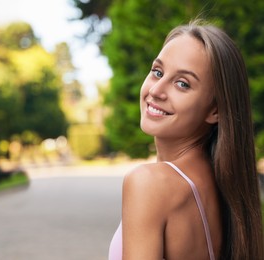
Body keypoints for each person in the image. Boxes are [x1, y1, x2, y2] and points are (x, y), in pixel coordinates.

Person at [108, 20, 264, 260]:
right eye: (157, 72)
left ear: (215, 110)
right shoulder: (224, 187)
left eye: (182, 84)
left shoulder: (148, 183)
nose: (156, 90)